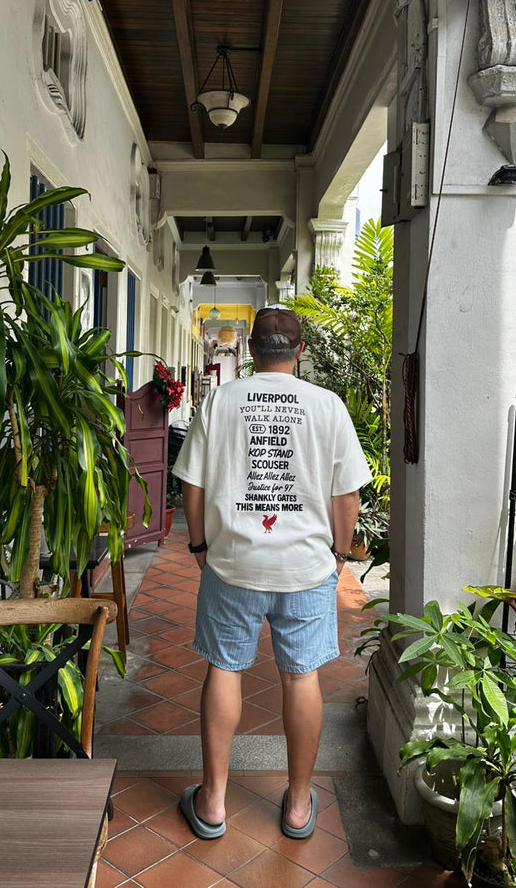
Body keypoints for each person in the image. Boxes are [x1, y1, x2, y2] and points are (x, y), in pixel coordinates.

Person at [172, 305, 370, 841]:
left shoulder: (220, 400)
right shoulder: (327, 407)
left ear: (251, 351)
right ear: (299, 352)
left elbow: (190, 483)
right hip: (305, 567)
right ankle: (300, 804)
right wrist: (339, 553)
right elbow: (347, 493)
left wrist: (197, 543)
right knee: (300, 677)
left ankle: (212, 801)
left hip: (232, 561)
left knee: (225, 669)